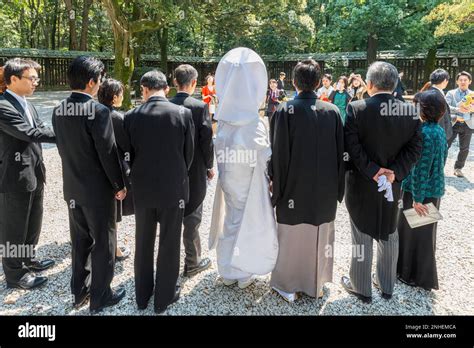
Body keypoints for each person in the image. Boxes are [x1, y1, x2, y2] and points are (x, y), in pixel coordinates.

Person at [342, 61, 422, 303]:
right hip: (392, 185)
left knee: (361, 233)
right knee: (389, 232)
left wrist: (373, 170)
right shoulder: (409, 111)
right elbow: (415, 149)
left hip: (361, 182)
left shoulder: (356, 108)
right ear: (395, 84)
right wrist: (393, 173)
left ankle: (361, 286)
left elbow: (351, 147)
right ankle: (387, 286)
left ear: (369, 84)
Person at [52, 56, 127, 312]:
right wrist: (119, 184)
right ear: (92, 82)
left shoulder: (58, 109)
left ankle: (79, 292)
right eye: (101, 79)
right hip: (97, 192)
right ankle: (101, 295)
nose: (101, 83)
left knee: (80, 242)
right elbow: (108, 154)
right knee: (104, 243)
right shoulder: (99, 111)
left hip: (72, 187)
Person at [268, 59, 345, 303]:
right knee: (320, 235)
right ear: (319, 82)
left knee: (291, 236)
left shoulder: (284, 110)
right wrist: (337, 188)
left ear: (293, 82)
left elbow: (278, 153)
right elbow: (340, 154)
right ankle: (316, 283)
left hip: (293, 187)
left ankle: (287, 283)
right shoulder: (331, 111)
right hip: (324, 189)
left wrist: (275, 186)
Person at [124, 70, 194, 314]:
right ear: (167, 88)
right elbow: (189, 155)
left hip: (142, 188)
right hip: (173, 188)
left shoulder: (131, 116)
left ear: (144, 89)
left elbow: (127, 156)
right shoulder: (183, 113)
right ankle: (164, 297)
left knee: (142, 242)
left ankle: (142, 296)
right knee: (169, 241)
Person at [209, 47, 278, 290]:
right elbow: (266, 154)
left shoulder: (224, 122)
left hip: (230, 177)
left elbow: (218, 149)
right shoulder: (255, 122)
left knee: (231, 218)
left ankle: (227, 270)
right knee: (247, 220)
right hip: (249, 179)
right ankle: (244, 269)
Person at [0, 58, 56, 290]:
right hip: (14, 176)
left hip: (35, 171)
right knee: (13, 227)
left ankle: (28, 258)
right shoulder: (3, 106)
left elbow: (41, 127)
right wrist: (69, 134)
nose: (36, 83)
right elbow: (29, 132)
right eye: (31, 78)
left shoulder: (26, 103)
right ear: (14, 79)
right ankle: (15, 275)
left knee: (33, 221)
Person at [397, 90, 448, 291]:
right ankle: (419, 274)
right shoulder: (439, 130)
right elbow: (441, 160)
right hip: (433, 191)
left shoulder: (424, 133)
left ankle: (410, 274)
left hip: (419, 193)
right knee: (426, 235)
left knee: (412, 234)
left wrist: (417, 199)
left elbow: (420, 169)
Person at [170, 64, 214, 277]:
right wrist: (209, 165)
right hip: (194, 169)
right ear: (195, 83)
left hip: (171, 171)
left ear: (174, 82)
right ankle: (192, 261)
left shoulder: (166, 105)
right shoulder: (199, 107)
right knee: (192, 218)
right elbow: (207, 141)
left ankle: (169, 264)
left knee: (172, 218)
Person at [97, 78, 133, 262]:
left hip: (93, 169)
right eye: (120, 93)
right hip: (113, 169)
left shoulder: (92, 113)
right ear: (114, 96)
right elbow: (126, 146)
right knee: (112, 214)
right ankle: (114, 249)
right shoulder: (116, 117)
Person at [446, 71, 474, 177]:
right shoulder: (450, 93)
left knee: (464, 148)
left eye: (465, 80)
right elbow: (446, 106)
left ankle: (458, 168)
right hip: (453, 123)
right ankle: (439, 167)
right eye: (461, 80)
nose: (463, 82)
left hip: (468, 123)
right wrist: (458, 109)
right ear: (457, 81)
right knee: (445, 145)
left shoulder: (473, 94)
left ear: (469, 81)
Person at [426, 69, 454, 140]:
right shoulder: (436, 95)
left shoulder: (431, 92)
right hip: (437, 136)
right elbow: (439, 118)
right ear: (445, 80)